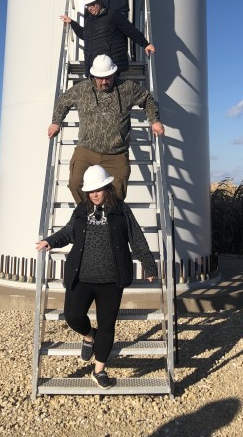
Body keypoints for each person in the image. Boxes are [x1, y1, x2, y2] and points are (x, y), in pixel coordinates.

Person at [34, 164, 159, 390]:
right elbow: (68, 232)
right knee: (72, 316)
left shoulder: (121, 210)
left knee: (107, 325)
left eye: (99, 189)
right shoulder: (82, 210)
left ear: (107, 188)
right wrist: (50, 241)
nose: (94, 194)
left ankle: (99, 370)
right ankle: (89, 336)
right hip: (81, 276)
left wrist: (149, 265)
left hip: (111, 280)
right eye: (91, 190)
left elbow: (137, 238)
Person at [48, 54, 165, 204]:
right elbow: (62, 101)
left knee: (117, 192)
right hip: (86, 150)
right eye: (100, 78)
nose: (104, 82)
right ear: (93, 75)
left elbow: (147, 99)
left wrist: (154, 121)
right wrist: (56, 122)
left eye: (108, 77)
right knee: (75, 183)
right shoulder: (82, 89)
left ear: (114, 73)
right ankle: (88, 215)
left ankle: (110, 220)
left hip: (116, 153)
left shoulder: (127, 88)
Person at [60, 0, 155, 74]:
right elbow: (84, 35)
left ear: (99, 1)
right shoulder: (89, 20)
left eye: (92, 4)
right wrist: (72, 22)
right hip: (93, 67)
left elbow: (129, 30)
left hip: (111, 66)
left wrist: (145, 44)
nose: (90, 8)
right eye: (87, 5)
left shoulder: (112, 15)